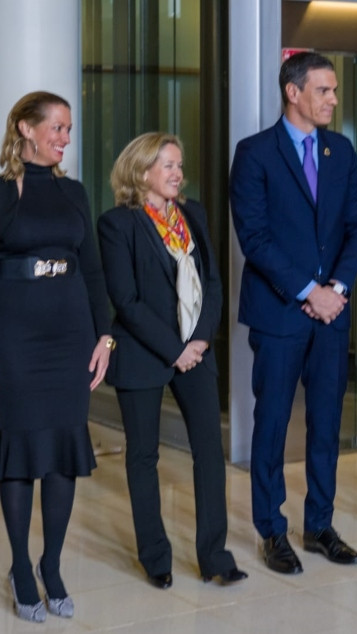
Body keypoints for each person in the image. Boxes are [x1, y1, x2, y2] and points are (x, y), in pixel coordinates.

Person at [0, 91, 112, 622]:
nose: (65, 139)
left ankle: (52, 565)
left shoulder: (74, 192)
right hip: (15, 335)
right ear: (26, 128)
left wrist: (105, 337)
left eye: (69, 130)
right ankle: (21, 568)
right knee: (23, 448)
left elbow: (93, 270)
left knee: (65, 448)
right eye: (57, 128)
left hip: (71, 331)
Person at [229, 51, 357, 575]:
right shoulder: (255, 154)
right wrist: (309, 290)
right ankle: (272, 530)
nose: (333, 99)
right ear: (293, 92)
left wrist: (336, 286)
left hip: (331, 314)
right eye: (324, 90)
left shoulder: (341, 150)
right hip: (281, 314)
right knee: (271, 426)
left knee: (326, 425)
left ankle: (320, 526)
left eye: (334, 91)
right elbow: (256, 238)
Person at [97, 132, 246, 588]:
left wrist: (199, 342)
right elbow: (126, 299)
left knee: (208, 452)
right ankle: (156, 557)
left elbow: (213, 284)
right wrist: (175, 349)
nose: (178, 174)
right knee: (143, 456)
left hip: (196, 351)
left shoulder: (193, 214)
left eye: (180, 165)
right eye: (168, 166)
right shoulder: (116, 224)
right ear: (142, 171)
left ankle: (215, 556)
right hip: (145, 353)